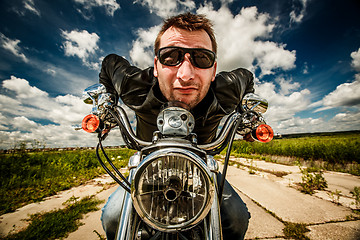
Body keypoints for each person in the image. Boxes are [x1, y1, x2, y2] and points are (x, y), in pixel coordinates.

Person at [99, 12, 254, 240]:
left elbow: (247, 78)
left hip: (202, 170)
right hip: (147, 167)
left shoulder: (227, 90)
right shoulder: (134, 86)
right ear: (155, 65)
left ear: (214, 70)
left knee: (236, 219)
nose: (186, 75)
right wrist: (107, 103)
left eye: (202, 58)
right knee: (112, 218)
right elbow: (109, 64)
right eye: (171, 57)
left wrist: (247, 114)